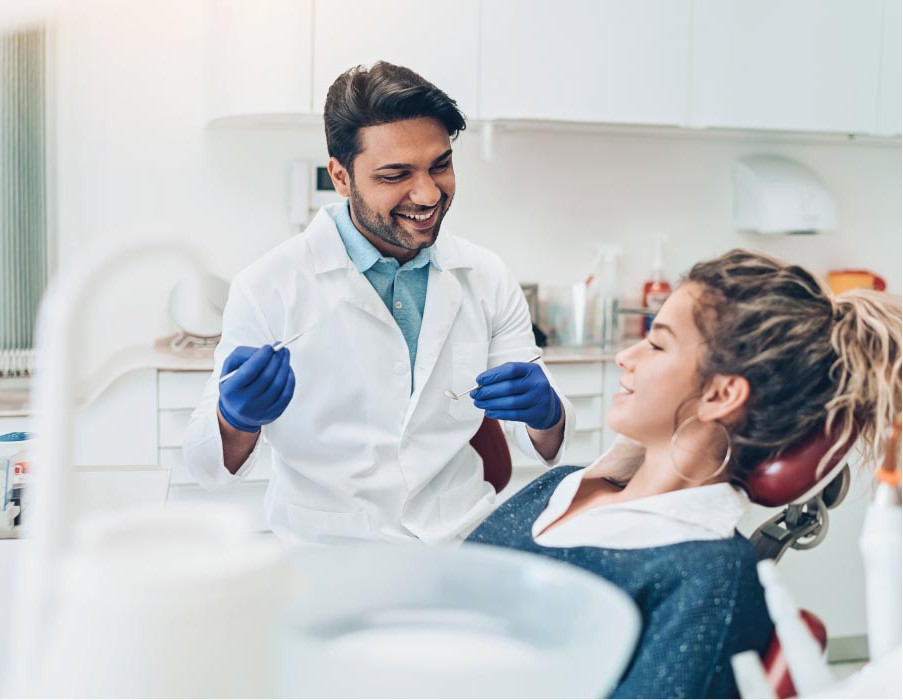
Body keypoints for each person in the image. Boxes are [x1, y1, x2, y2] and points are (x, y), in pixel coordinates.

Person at [467, 249, 902, 698]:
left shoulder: (710, 578)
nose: (626, 356)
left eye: (657, 343)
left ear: (721, 393)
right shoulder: (558, 487)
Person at [183, 61, 574, 544]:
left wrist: (546, 413)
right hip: (329, 552)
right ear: (341, 178)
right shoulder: (269, 285)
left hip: (462, 541)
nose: (429, 193)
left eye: (441, 165)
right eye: (396, 174)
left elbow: (546, 445)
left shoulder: (486, 275)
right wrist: (235, 419)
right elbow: (206, 468)